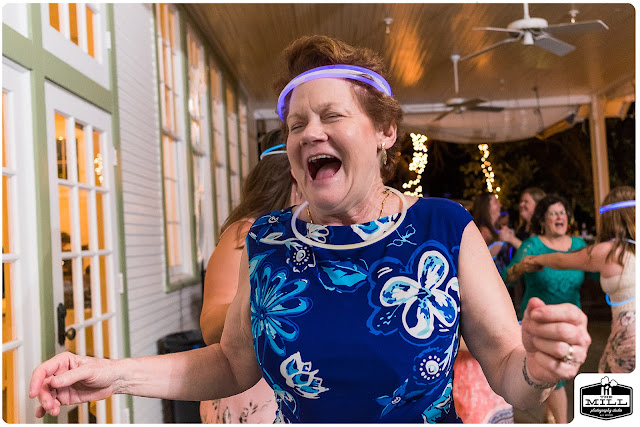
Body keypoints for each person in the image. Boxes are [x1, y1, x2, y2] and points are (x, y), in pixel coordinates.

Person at [30, 35, 591, 423]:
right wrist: (113, 375)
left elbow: (508, 371)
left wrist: (539, 370)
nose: (308, 133)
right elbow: (229, 363)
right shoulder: (267, 241)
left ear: (385, 132)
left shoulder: (443, 227)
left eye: (332, 115)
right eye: (296, 123)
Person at [199, 129, 298, 423]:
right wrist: (267, 306)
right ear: (293, 177)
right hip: (251, 392)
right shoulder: (246, 233)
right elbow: (211, 327)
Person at [524, 186, 635, 373]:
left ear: (610, 218)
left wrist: (535, 259)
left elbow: (562, 260)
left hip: (630, 338)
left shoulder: (609, 251)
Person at [502, 194, 587, 423]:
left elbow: (597, 272)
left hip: (571, 323)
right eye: (554, 213)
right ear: (543, 220)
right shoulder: (532, 246)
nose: (560, 217)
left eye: (563, 212)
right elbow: (506, 277)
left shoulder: (579, 246)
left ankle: (548, 418)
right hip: (541, 324)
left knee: (557, 376)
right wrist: (521, 267)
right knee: (555, 377)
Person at [454, 194, 514, 423]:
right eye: (494, 202)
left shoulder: (496, 230)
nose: (499, 205)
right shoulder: (481, 232)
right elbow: (476, 263)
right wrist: (499, 245)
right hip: (477, 298)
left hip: (493, 298)